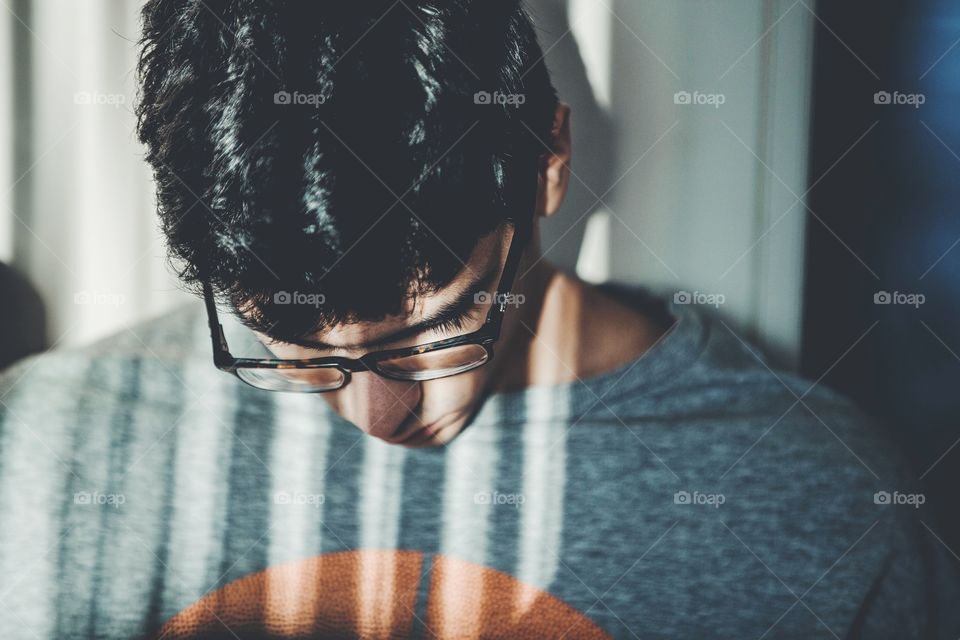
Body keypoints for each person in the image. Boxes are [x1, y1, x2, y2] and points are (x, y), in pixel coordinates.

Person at [0, 1, 956, 638]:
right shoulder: (42, 451)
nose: (377, 418)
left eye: (431, 334)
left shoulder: (816, 504)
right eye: (288, 349)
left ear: (549, 157)